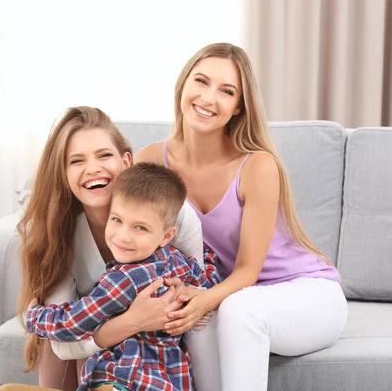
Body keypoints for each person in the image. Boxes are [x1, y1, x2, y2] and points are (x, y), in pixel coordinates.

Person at [134, 42, 348, 390]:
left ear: (237, 108)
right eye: (201, 81)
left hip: (308, 296)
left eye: (226, 91)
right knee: (201, 320)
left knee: (234, 310)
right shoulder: (152, 161)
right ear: (183, 85)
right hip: (235, 298)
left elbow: (248, 270)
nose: (208, 97)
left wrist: (204, 297)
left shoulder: (257, 166)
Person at [6, 106, 216, 391]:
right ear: (63, 173)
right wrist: (133, 321)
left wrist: (33, 317)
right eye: (76, 161)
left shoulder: (173, 215)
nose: (93, 168)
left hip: (145, 369)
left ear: (126, 161)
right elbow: (62, 346)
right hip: (103, 356)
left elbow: (200, 294)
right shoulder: (61, 233)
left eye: (104, 155)